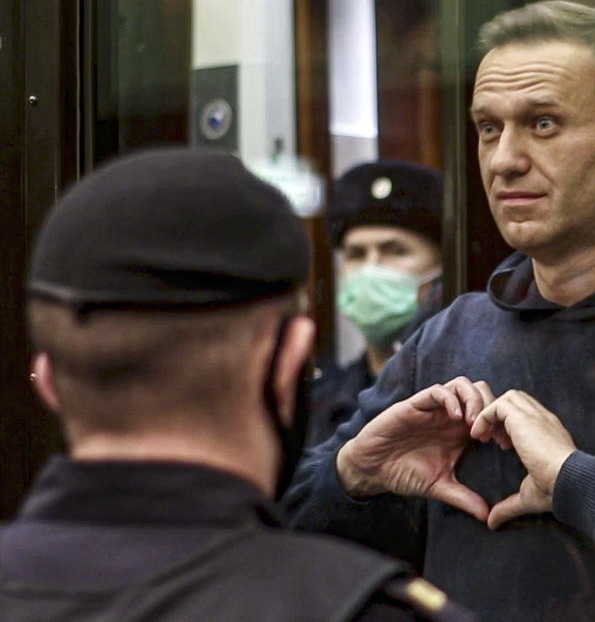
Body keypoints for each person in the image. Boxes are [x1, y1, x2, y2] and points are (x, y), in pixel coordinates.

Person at [285, 0, 595, 621]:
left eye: (543, 123)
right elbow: (290, 541)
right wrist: (352, 474)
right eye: (489, 128)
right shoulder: (447, 337)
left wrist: (580, 483)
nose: (504, 161)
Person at [0, 149, 473, 622]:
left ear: (48, 384)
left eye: (393, 251)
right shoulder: (366, 611)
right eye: (357, 253)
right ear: (287, 363)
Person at [311, 160, 444, 446]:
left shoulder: (459, 396)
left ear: (440, 268)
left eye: (395, 251)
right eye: (356, 254)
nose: (371, 270)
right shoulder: (319, 402)